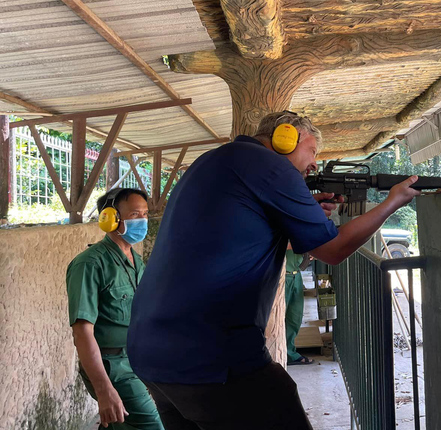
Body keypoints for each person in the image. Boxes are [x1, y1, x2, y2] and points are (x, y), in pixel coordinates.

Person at [127, 111, 419, 430]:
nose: (313, 165)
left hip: (151, 352)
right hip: (209, 354)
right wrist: (393, 201)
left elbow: (244, 225)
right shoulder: (271, 166)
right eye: (312, 151)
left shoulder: (214, 160)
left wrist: (302, 210)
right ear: (286, 138)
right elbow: (332, 250)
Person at [66, 188, 163, 429]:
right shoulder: (89, 264)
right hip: (112, 365)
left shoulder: (135, 261)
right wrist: (104, 390)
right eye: (134, 214)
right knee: (153, 424)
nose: (142, 220)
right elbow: (82, 333)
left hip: (136, 359)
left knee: (122, 424)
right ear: (110, 218)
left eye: (144, 214)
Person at [284, 246, 312, 365]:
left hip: (296, 275)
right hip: (281, 275)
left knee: (295, 317)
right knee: (275, 318)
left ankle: (290, 353)